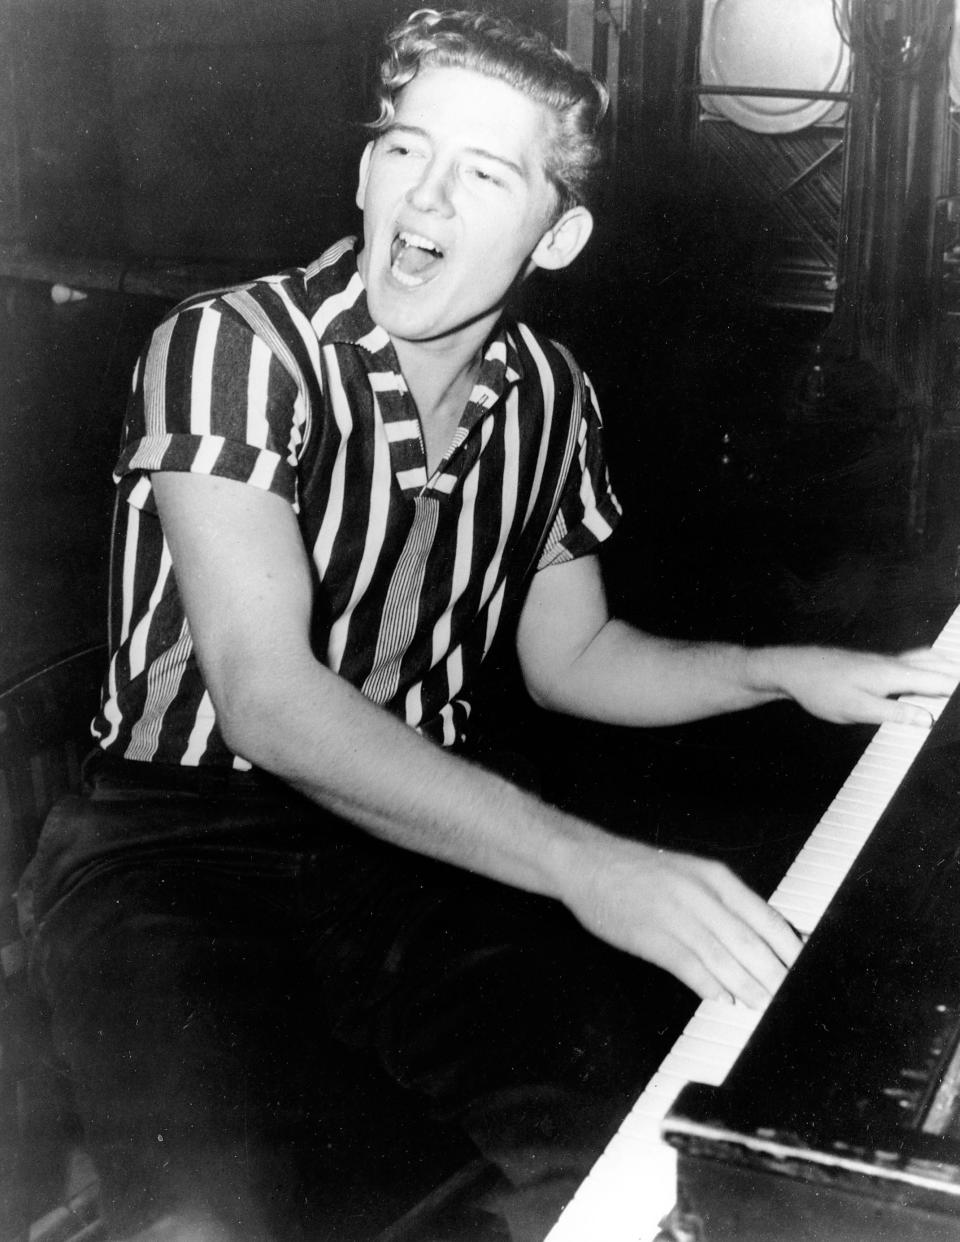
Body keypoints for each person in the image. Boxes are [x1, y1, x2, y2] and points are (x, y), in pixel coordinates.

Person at [20, 9, 960, 1242]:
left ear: (557, 234)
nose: (426, 195)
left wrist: (779, 669)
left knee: (637, 1158)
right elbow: (269, 699)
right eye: (407, 149)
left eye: (485, 171)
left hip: (415, 846)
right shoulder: (231, 347)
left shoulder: (550, 397)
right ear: (366, 169)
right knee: (210, 1220)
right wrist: (584, 865)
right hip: (171, 851)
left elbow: (575, 660)